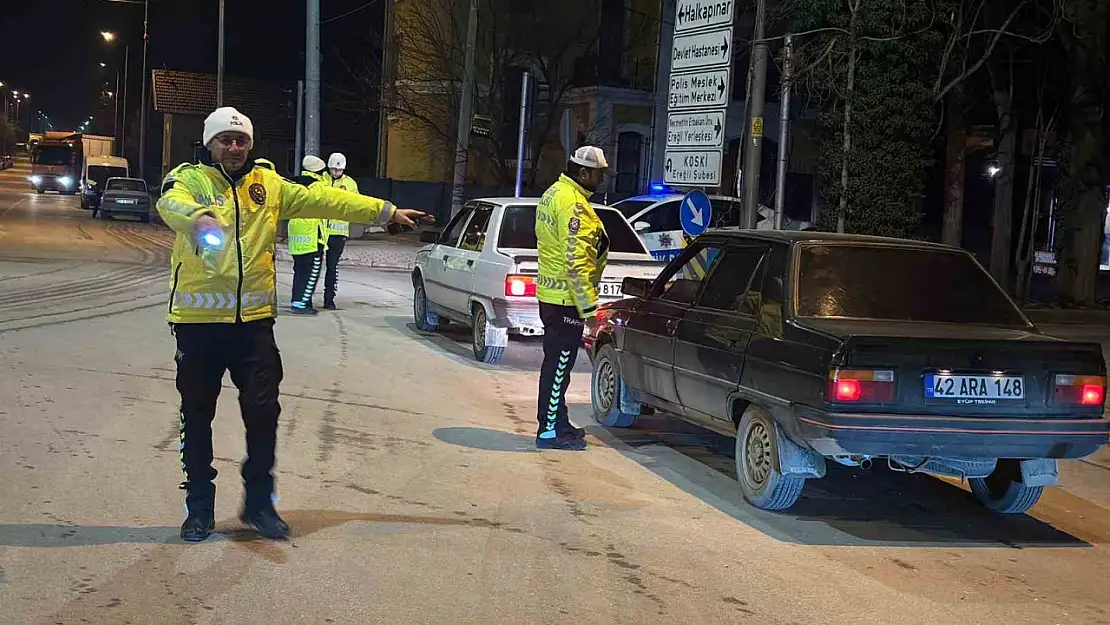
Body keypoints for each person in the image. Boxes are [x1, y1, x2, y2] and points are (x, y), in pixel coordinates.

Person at [157, 106, 427, 542]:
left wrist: (387, 210)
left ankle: (260, 505)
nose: (234, 147)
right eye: (225, 139)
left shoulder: (269, 184)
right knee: (197, 416)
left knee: (263, 415)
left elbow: (329, 200)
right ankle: (199, 509)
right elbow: (170, 203)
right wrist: (196, 219)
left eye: (241, 139)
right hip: (198, 324)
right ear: (210, 143)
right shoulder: (190, 179)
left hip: (254, 327)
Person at [533, 146, 610, 451]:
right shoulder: (573, 204)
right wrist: (589, 309)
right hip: (566, 299)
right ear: (583, 173)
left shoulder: (554, 192)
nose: (601, 180)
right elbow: (576, 260)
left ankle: (558, 421)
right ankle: (549, 431)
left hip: (553, 295)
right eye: (598, 174)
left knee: (557, 365)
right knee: (559, 366)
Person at [286, 155, 330, 315]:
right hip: (312, 235)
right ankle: (302, 304)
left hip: (296, 236)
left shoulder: (295, 184)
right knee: (312, 271)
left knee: (299, 270)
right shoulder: (318, 187)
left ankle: (296, 300)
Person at [323, 152, 357, 310]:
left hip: (338, 233)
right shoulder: (322, 179)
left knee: (332, 267)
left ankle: (329, 299)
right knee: (314, 267)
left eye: (339, 170)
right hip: (320, 231)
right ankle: (306, 297)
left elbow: (355, 204)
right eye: (333, 169)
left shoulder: (350, 184)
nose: (336, 172)